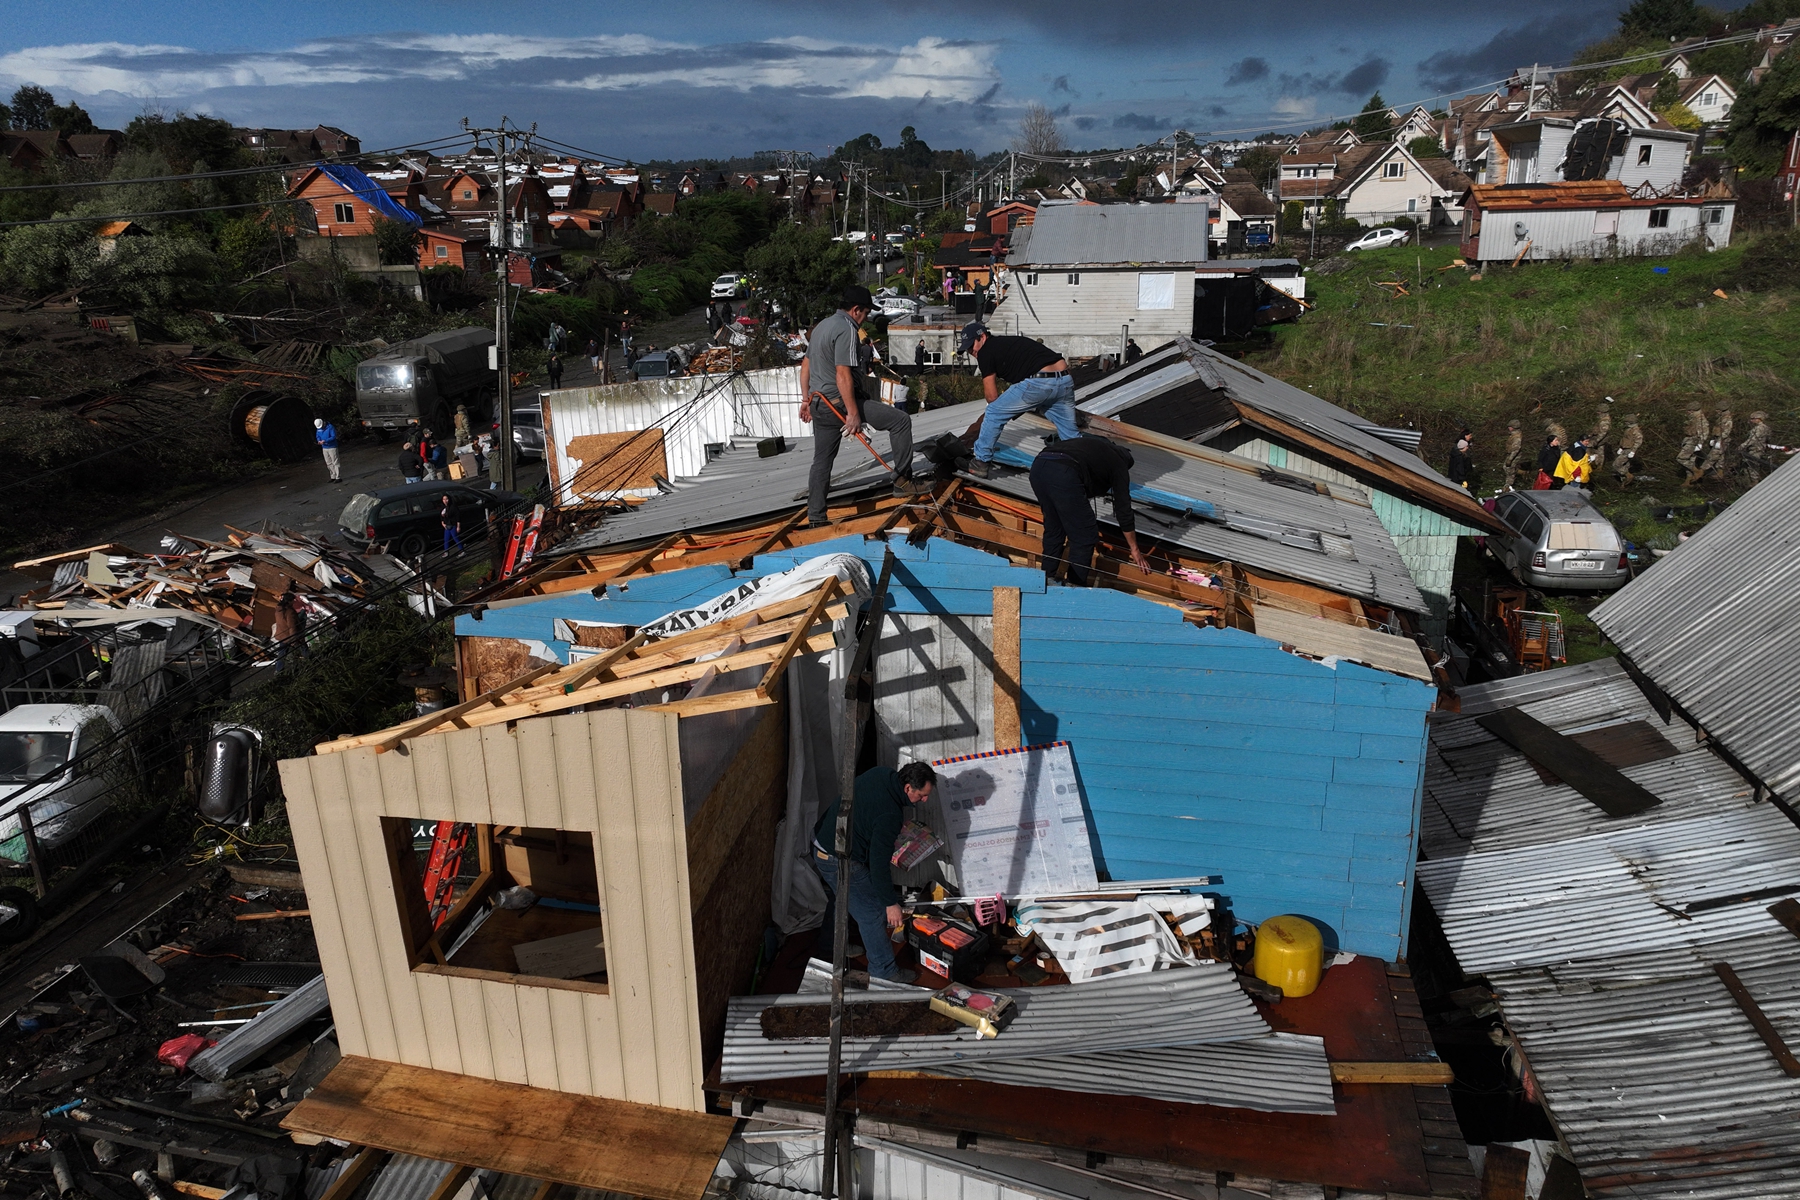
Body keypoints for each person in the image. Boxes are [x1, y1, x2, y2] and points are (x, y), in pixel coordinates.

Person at [799, 285, 930, 527]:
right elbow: (842, 375)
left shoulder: (821, 327)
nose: (866, 318)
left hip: (820, 404)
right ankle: (902, 480)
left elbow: (805, 367)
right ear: (856, 310)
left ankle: (816, 518)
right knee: (900, 421)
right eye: (866, 313)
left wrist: (806, 399)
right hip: (838, 403)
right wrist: (853, 413)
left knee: (821, 462)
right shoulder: (846, 329)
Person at [810, 762, 938, 983]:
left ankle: (830, 948)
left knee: (843, 896)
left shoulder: (881, 773)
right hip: (837, 856)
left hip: (822, 840)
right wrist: (890, 904)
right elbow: (878, 864)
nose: (924, 800)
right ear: (907, 788)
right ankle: (884, 972)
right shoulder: (890, 815)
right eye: (922, 795)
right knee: (872, 913)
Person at [958, 323, 1081, 478]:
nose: (971, 352)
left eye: (971, 346)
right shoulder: (1009, 342)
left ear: (982, 337)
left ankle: (981, 462)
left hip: (1039, 382)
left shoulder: (986, 351)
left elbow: (992, 397)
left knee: (993, 412)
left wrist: (1004, 413)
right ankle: (1084, 467)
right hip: (1064, 379)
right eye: (968, 350)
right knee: (1070, 434)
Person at [1028, 435, 1152, 586]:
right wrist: (1135, 549)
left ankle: (1045, 580)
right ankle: (1074, 587)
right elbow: (1123, 510)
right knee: (1085, 535)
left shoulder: (1096, 448)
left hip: (1039, 467)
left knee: (1055, 528)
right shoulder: (1119, 464)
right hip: (1065, 471)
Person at [1701, 403, 1733, 480]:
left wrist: (1719, 441)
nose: (1716, 411)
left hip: (1722, 440)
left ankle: (1700, 472)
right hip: (1718, 438)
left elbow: (1726, 432)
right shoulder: (1721, 417)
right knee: (1720, 457)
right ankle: (1720, 473)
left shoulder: (1727, 419)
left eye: (1718, 410)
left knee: (1713, 456)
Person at [1678, 400, 1707, 484]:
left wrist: (1700, 443)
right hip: (1689, 439)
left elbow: (1704, 432)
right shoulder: (1693, 418)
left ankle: (1697, 471)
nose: (1688, 412)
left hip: (1694, 441)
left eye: (1689, 411)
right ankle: (1688, 480)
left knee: (1681, 458)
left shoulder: (1700, 420)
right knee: (1690, 461)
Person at [1613, 414, 1644, 486]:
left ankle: (1628, 476)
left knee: (1616, 464)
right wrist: (1621, 447)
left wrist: (1633, 451)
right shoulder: (1629, 429)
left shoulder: (1636, 431)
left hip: (1629, 450)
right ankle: (1624, 482)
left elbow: (1638, 441)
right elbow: (1625, 439)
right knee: (1625, 465)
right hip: (1625, 449)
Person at [313, 418, 341, 483]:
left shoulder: (330, 427)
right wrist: (319, 441)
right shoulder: (318, 429)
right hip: (324, 447)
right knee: (328, 462)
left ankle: (338, 477)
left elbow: (333, 436)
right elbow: (318, 436)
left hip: (332, 446)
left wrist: (325, 441)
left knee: (335, 462)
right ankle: (333, 476)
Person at [1588, 403, 1613, 474]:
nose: (1597, 413)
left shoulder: (1605, 421)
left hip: (1599, 439)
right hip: (1598, 438)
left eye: (1599, 411)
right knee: (1600, 452)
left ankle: (1596, 465)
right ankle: (1598, 466)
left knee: (1592, 450)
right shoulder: (1603, 419)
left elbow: (1603, 433)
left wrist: (1596, 440)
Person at [1501, 419, 1523, 490]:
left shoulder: (1517, 437)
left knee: (1509, 469)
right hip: (1511, 454)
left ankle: (1508, 485)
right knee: (1507, 467)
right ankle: (1521, 473)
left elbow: (1516, 449)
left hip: (1514, 455)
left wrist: (1510, 459)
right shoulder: (1514, 434)